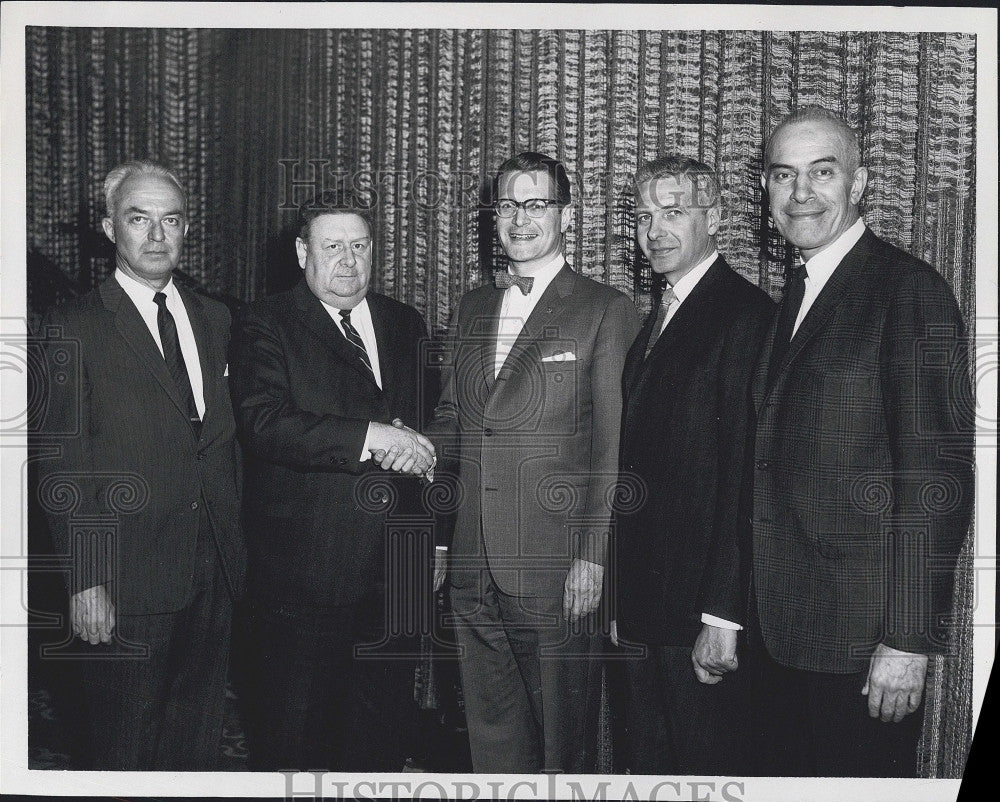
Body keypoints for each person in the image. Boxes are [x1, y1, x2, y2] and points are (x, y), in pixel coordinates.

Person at [750, 106, 974, 776]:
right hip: (784, 635)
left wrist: (907, 641)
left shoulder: (908, 291)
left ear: (860, 182)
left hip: (862, 647)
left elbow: (938, 476)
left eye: (823, 173)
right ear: (765, 190)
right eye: (784, 175)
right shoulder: (797, 291)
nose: (801, 193)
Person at [427, 151, 641, 773]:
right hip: (473, 563)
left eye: (537, 203)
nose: (521, 219)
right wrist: (399, 445)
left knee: (561, 746)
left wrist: (593, 557)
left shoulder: (605, 309)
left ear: (566, 215)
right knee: (491, 741)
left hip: (556, 571)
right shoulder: (470, 308)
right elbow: (453, 424)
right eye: (509, 205)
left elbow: (611, 447)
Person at [34, 160, 247, 769]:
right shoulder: (72, 326)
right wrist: (85, 578)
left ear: (186, 230)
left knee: (196, 745)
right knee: (122, 750)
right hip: (125, 579)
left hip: (214, 571)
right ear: (109, 228)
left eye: (170, 220)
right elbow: (62, 467)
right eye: (138, 219)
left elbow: (223, 442)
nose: (157, 236)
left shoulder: (215, 318)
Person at [229, 193, 435, 771]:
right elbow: (266, 424)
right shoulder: (264, 323)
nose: (348, 261)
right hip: (305, 579)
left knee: (382, 737)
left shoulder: (403, 323)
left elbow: (427, 435)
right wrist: (372, 436)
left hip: (398, 573)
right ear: (302, 253)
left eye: (359, 246)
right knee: (297, 742)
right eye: (332, 247)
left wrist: (435, 541)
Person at [613, 156, 774, 774]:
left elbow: (744, 479)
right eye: (646, 216)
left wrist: (722, 616)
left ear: (716, 220)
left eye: (675, 212)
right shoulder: (658, 315)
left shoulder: (746, 316)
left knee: (706, 775)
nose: (655, 230)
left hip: (702, 615)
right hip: (649, 607)